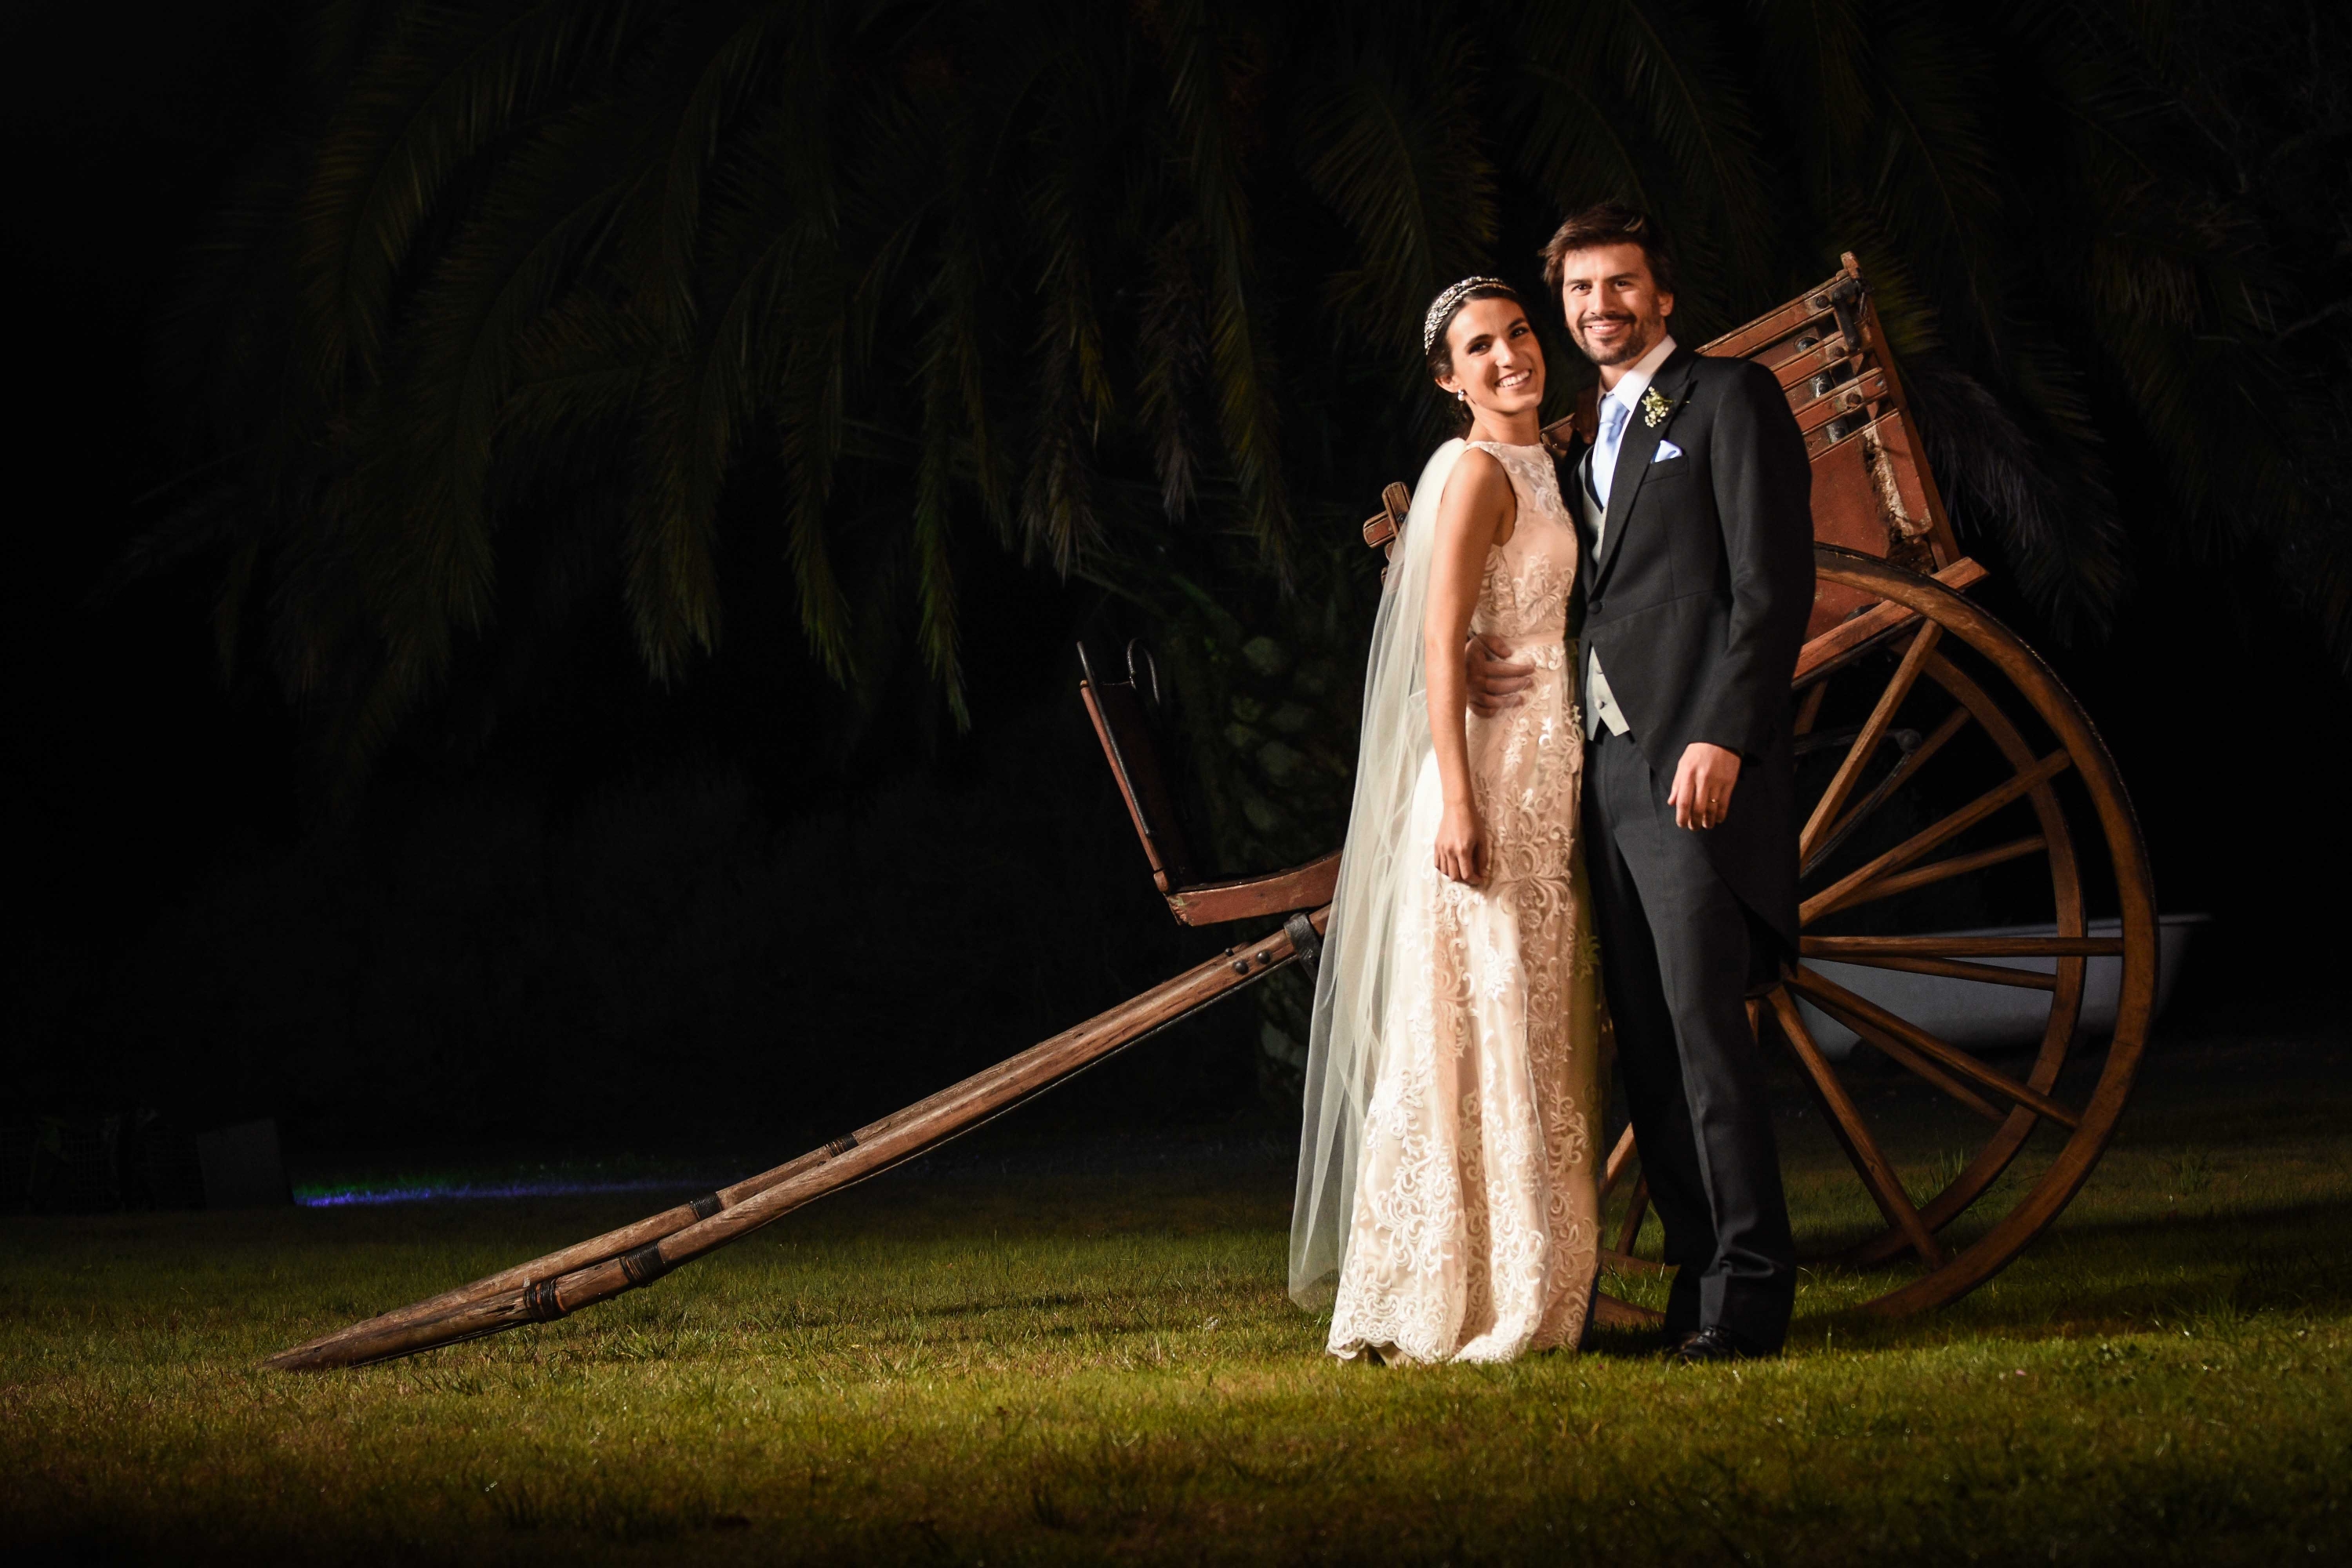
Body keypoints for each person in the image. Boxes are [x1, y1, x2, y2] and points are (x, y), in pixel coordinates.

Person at [1469, 205, 1815, 1363]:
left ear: (1662, 296)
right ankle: (1695, 1289)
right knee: (1654, 1053)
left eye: (1620, 284)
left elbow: (1769, 590)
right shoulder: (1584, 434)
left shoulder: (1729, 400)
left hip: (1689, 768)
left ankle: (1753, 1296)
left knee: (1707, 1036)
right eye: (1579, 290)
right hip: (1602, 776)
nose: (1598, 306)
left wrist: (1724, 734)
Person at [1289, 278, 1607, 1364]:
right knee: (1484, 1016)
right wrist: (1459, 804)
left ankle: (1527, 1276)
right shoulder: (1471, 470)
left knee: (1527, 1017)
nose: (1513, 356)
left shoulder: (1545, 462)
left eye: (1520, 333)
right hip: (1486, 780)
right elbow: (1437, 638)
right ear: (1448, 378)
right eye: (1483, 348)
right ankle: (1460, 1289)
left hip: (1545, 768)